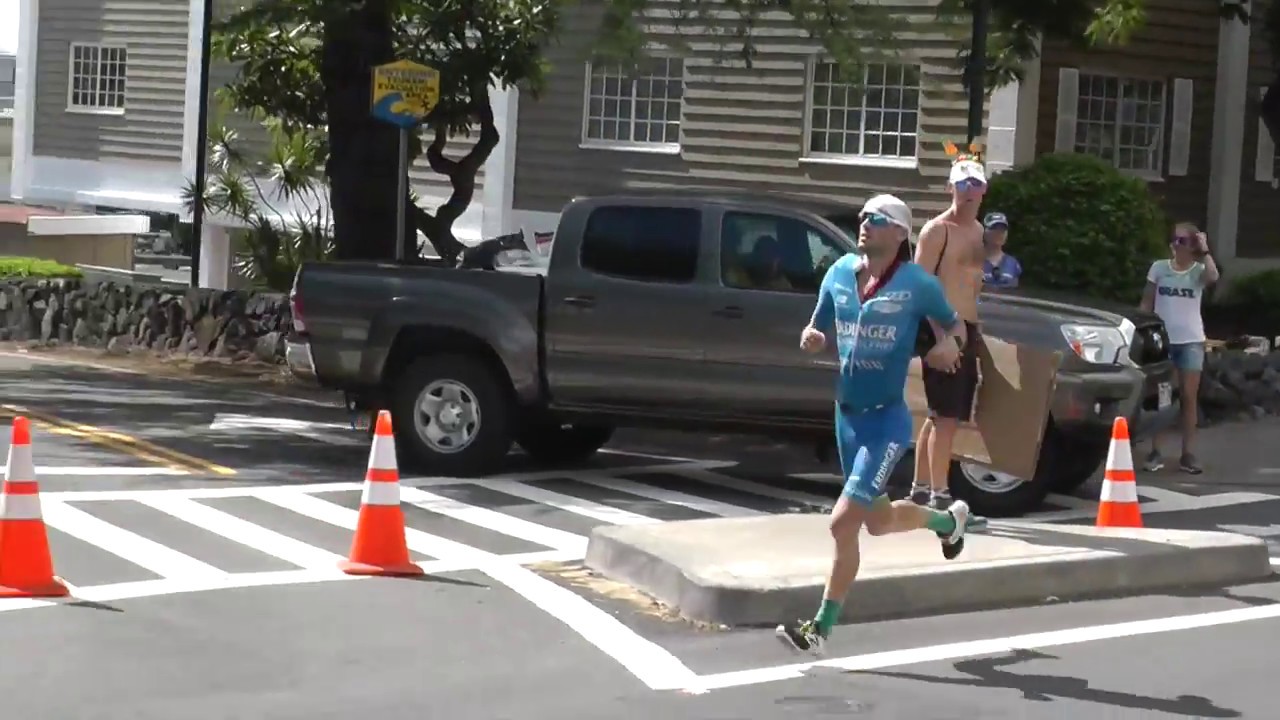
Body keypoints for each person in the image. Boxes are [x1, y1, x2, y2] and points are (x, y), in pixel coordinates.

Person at [775, 194, 972, 656]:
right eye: (863, 217)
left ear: (900, 234)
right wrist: (812, 337)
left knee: (843, 524)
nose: (865, 223)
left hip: (887, 422)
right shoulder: (839, 272)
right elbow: (817, 326)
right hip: (847, 419)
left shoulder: (917, 284)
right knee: (878, 523)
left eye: (877, 219)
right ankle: (948, 522)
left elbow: (955, 327)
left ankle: (819, 629)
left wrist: (949, 347)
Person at [910, 147, 988, 513]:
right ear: (950, 189)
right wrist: (941, 336)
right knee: (945, 417)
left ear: (984, 190)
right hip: (940, 326)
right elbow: (918, 285)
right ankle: (940, 494)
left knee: (944, 414)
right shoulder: (936, 230)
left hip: (967, 327)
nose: (968, 192)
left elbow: (971, 284)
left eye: (975, 185)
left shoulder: (978, 231)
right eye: (962, 185)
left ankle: (921, 487)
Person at [1139, 222, 1219, 474]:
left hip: (1191, 340)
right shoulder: (1159, 268)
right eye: (1174, 239)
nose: (1176, 244)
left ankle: (1188, 453)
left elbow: (1213, 277)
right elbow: (1147, 302)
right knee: (1163, 397)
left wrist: (1205, 251)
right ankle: (1156, 451)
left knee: (1188, 397)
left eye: (1183, 240)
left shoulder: (1198, 271)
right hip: (1165, 340)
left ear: (1192, 245)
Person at [981, 212, 1022, 288]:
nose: (999, 233)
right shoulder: (970, 261)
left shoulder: (1013, 264)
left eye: (1003, 230)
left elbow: (1015, 294)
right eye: (994, 229)